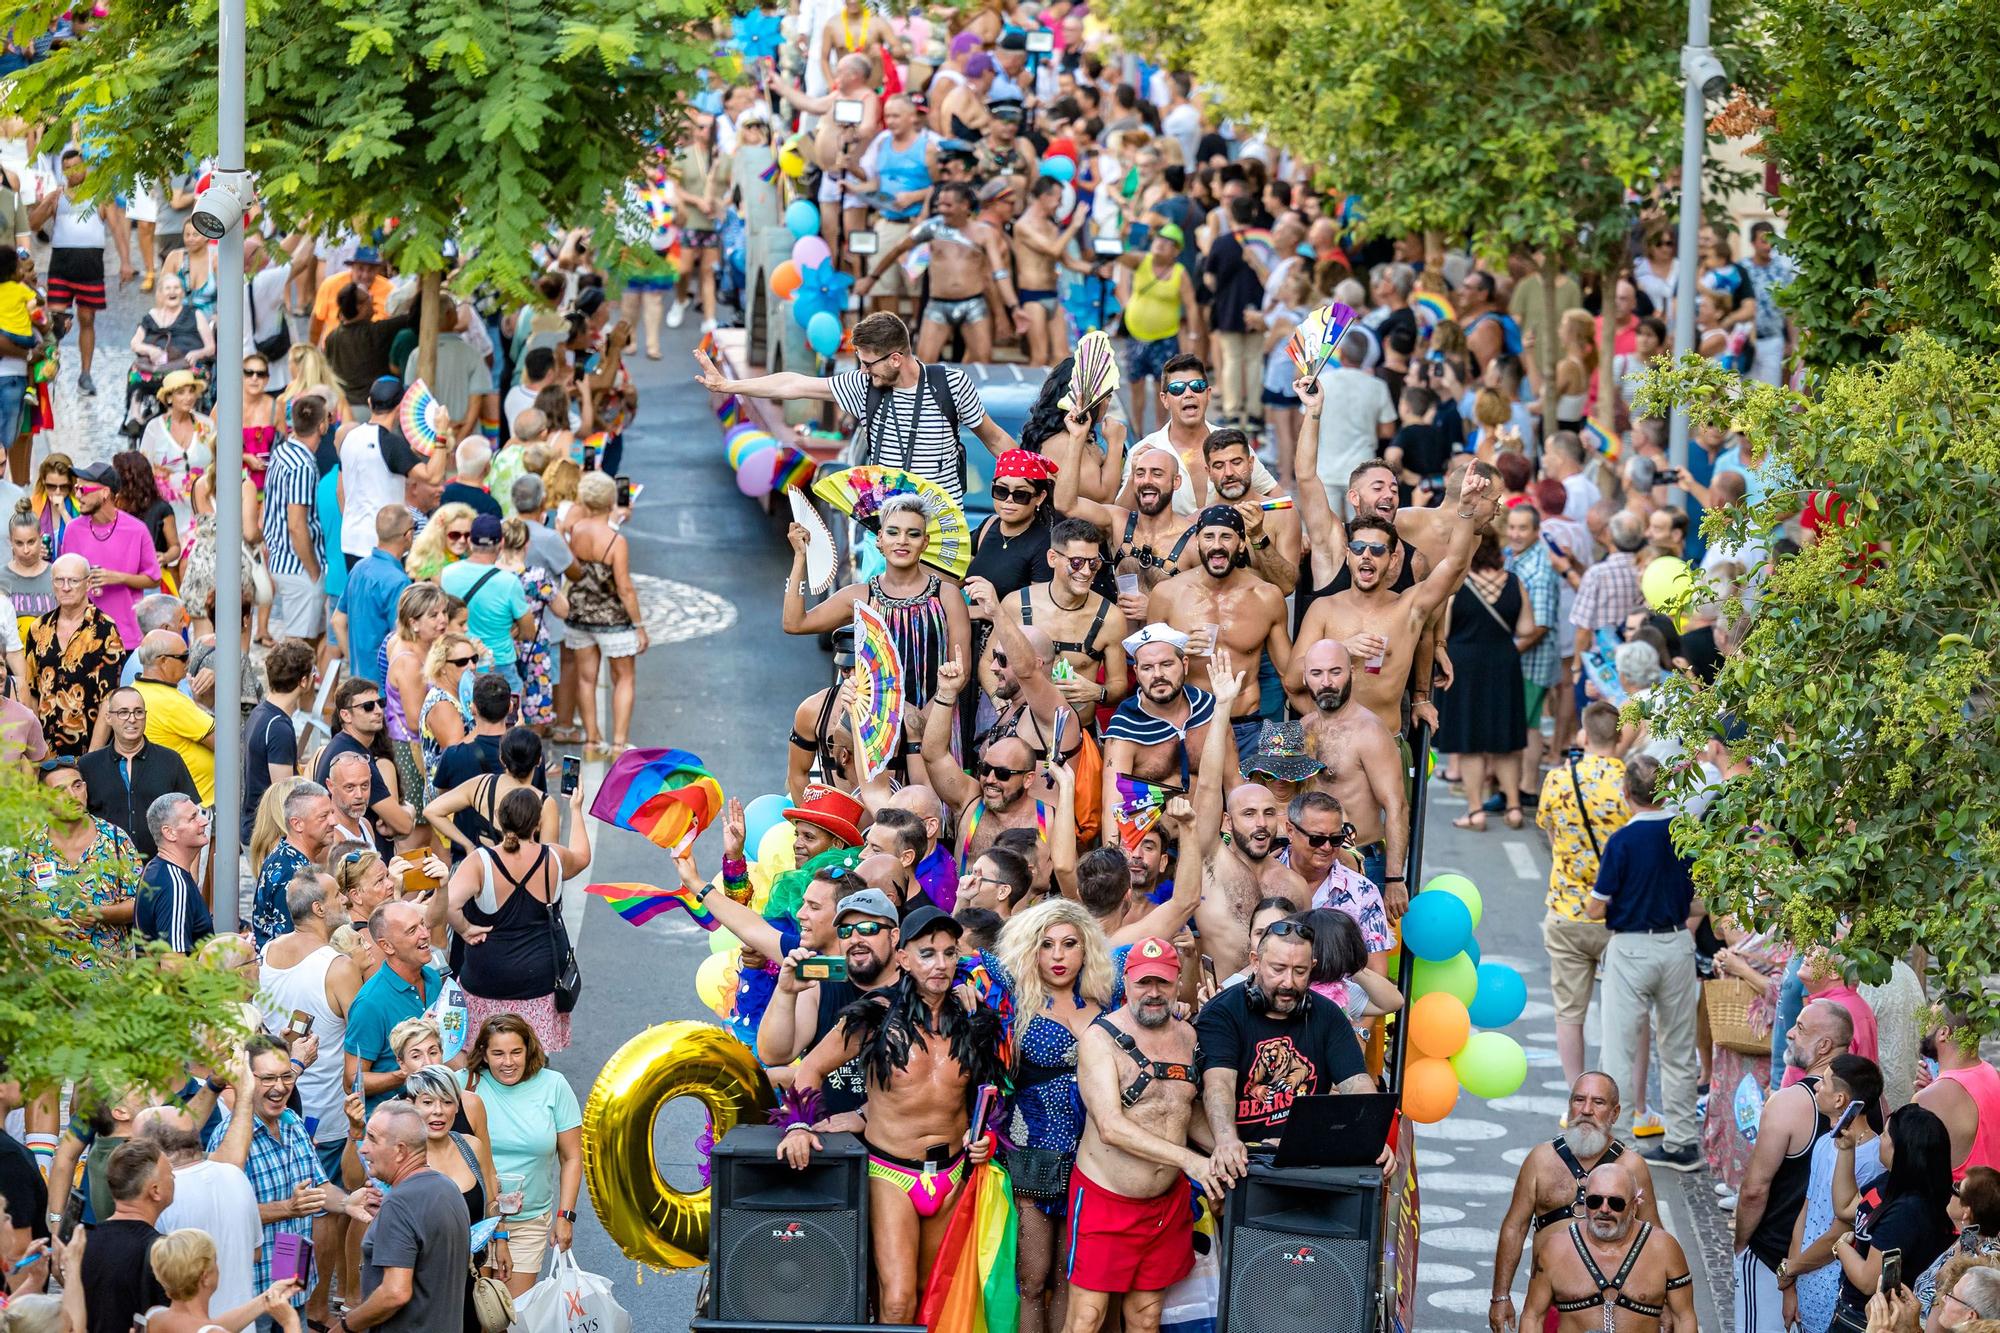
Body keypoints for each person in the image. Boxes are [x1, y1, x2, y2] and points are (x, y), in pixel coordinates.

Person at [780, 907, 1006, 1324]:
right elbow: (810, 1067)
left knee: (931, 1297)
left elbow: (986, 1091)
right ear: (902, 958)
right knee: (898, 1300)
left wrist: (985, 1135)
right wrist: (797, 1124)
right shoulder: (875, 1016)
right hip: (891, 1174)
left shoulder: (972, 1019)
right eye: (926, 953)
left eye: (949, 953)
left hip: (952, 1174)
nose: (939, 964)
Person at [1067, 935, 1223, 1333]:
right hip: (1106, 1198)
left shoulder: (1189, 1036)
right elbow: (1111, 1127)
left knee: (1147, 1316)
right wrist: (1190, 1160)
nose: (1153, 993)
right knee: (1087, 1318)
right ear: (1127, 982)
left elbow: (1183, 1110)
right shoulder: (1100, 1039)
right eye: (1143, 983)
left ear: (1176, 983)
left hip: (1165, 1205)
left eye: (1163, 983)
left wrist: (1226, 1145)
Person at [693, 312, 1014, 505]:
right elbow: (793, 384)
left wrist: (1033, 481)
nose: (862, 371)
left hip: (943, 530)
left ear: (895, 359)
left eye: (867, 362)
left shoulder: (951, 384)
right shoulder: (863, 386)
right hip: (887, 534)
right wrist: (729, 386)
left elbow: (996, 440)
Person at [977, 900, 1110, 1333]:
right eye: (1046, 945)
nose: (1057, 956)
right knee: (1032, 1280)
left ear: (1085, 950)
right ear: (1030, 950)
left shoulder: (1107, 1005)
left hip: (1092, 1160)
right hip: (1032, 1156)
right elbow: (957, 957)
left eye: (1069, 944)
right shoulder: (1015, 1002)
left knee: (1069, 1277)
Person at [1289, 479, 1493, 738]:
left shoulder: (1409, 606)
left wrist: (1465, 510)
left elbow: (1453, 564)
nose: (1366, 555)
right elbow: (1292, 680)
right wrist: (1340, 651)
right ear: (1348, 554)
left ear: (1392, 558)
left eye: (1376, 550)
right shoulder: (1323, 608)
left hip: (1386, 741)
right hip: (1329, 740)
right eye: (1358, 548)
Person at [209, 1037, 377, 1329]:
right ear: (247, 1081)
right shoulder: (229, 1139)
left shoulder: (292, 1122)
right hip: (252, 1295)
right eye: (268, 1078)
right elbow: (224, 1216)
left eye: (287, 1076)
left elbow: (318, 1189)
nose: (280, 1087)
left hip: (293, 1282)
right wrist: (287, 1208)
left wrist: (347, 1202)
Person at [1585, 754, 1701, 1171]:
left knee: (1618, 1046)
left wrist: (1591, 900)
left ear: (1626, 793)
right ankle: (1683, 1140)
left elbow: (1597, 908)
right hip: (1675, 941)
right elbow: (1698, 896)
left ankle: (1609, 1140)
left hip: (1631, 945)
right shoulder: (1684, 833)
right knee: (1678, 1047)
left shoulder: (1622, 841)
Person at [1491, 1073, 1662, 1333]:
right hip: (1548, 1304)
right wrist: (1500, 1297)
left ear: (1615, 1113)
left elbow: (1655, 1239)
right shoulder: (1541, 1159)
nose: (1586, 1110)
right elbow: (1514, 1228)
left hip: (1615, 1307)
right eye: (1579, 1100)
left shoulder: (1632, 1167)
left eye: (1598, 1102)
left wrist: (1670, 1304)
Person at [1196, 913, 1373, 1159]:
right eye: (1278, 969)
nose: (1288, 982)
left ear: (1312, 967)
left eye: (1299, 971)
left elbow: (1357, 1083)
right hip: (1245, 1158)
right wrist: (1227, 1142)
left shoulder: (1328, 1015)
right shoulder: (1222, 1012)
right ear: (1256, 962)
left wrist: (1370, 1135)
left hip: (1307, 1158)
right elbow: (1219, 1083)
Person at [445, 783, 590, 1054]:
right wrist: (576, 809)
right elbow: (582, 857)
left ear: (499, 818)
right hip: (539, 980)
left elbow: (448, 904)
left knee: (485, 1058)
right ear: (537, 823)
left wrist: (465, 929)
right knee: (530, 1058)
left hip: (486, 979)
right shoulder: (553, 858)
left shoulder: (481, 862)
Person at [1738, 998, 1854, 1331]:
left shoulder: (1788, 1102)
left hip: (1774, 1256)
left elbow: (1754, 1191)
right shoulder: (1873, 1101)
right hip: (1835, 1260)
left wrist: (1741, 1246)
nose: (1789, 1033)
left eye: (1800, 1027)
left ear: (1824, 1046)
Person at [1188, 655, 1309, 976]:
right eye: (1249, 813)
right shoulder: (1210, 861)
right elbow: (1211, 784)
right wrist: (1222, 707)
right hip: (1222, 1008)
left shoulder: (1295, 886)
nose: (1260, 822)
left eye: (1269, 813)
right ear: (1227, 821)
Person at [459, 1015, 583, 1297]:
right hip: (472, 1221)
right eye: (498, 1053)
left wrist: (565, 1216)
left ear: (529, 1050)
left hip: (527, 1222)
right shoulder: (464, 1085)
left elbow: (572, 1157)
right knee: (474, 1318)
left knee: (508, 1317)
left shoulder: (554, 1085)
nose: (508, 1062)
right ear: (484, 1054)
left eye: (516, 1052)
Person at [260, 869, 364, 1190]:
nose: (345, 899)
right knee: (328, 1212)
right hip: (329, 1119)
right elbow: (364, 1039)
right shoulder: (339, 966)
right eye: (337, 896)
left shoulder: (267, 952)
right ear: (319, 909)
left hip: (280, 1110)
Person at [1294, 638, 1411, 903]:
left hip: (1361, 858)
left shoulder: (1369, 730)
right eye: (1317, 673)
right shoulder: (1303, 727)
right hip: (1309, 862)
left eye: (1335, 672)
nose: (1326, 682)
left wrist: (1394, 878)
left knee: (1362, 945)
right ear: (1305, 678)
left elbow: (1397, 806)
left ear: (1352, 673)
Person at [1520, 1160, 1696, 1333]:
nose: (1604, 1209)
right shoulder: (1555, 1249)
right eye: (1594, 1201)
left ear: (1634, 1206)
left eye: (1616, 1203)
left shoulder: (1664, 1249)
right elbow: (1532, 1316)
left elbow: (1684, 1318)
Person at [1784, 1055, 1888, 1333]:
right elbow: (1807, 1209)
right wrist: (1791, 1281)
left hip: (1832, 1285)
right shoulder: (1823, 1142)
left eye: (1824, 1083)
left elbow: (1841, 1231)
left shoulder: (1871, 1159)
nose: (1816, 1087)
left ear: (1841, 1099)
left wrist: (1790, 1270)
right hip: (1805, 1275)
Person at [398, 1065, 507, 1327]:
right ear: (412, 1106)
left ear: (457, 1107)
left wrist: (502, 1232)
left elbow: (490, 1206)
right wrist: (355, 1133)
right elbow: (359, 1183)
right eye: (427, 1102)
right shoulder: (402, 1154)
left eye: (447, 1101)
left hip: (468, 1276)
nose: (438, 1110)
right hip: (420, 1282)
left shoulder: (471, 1147)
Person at [1830, 1105, 1957, 1330]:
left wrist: (1840, 1246)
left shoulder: (1908, 1211)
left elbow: (1869, 1281)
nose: (1880, 1138)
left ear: (1901, 1149)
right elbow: (1844, 1207)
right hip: (1853, 1310)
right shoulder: (1890, 1180)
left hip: (1871, 1320)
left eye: (1886, 1134)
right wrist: (1846, 1150)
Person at [19, 755, 140, 967]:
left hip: (107, 979)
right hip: (46, 983)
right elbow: (10, 915)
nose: (72, 796)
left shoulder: (115, 840)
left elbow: (141, 905)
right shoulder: (29, 848)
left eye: (77, 786)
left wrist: (103, 913)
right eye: (59, 791)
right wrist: (38, 928)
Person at [563, 471, 647, 756]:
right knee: (624, 677)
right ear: (611, 500)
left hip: (579, 616)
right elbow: (624, 588)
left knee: (586, 678)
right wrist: (639, 625)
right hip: (612, 619)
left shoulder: (574, 531)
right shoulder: (615, 541)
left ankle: (591, 740)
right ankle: (619, 743)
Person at [345, 902, 446, 1112]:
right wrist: (405, 1074)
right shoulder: (370, 1003)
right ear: (387, 946)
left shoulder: (433, 978)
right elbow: (352, 1081)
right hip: (394, 1125)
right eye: (412, 930)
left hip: (436, 1113)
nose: (425, 934)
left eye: (422, 925)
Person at [78, 685, 199, 858]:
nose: (132, 719)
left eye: (138, 712)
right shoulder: (88, 766)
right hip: (104, 871)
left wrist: (190, 876)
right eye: (123, 712)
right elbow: (76, 823)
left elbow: (192, 819)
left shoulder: (170, 761)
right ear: (109, 718)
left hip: (159, 869)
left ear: (145, 716)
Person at [25, 552, 123, 754]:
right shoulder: (38, 628)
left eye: (73, 580)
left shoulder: (105, 629)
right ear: (52, 584)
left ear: (88, 584)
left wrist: (94, 756)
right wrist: (36, 750)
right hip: (46, 750)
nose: (66, 587)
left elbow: (109, 699)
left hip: (89, 748)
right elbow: (31, 691)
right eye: (59, 580)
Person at [60, 460, 161, 652]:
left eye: (84, 489)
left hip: (126, 636)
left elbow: (153, 578)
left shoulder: (136, 530)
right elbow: (62, 580)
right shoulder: (73, 530)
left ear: (105, 492)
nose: (78, 495)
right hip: (83, 636)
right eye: (76, 488)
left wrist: (118, 577)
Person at [79, 1139, 175, 1333]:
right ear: (155, 1191)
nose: (173, 1177)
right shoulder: (161, 1252)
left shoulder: (82, 1242)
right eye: (170, 1174)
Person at [143, 1227, 300, 1333]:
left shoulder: (154, 1317)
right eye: (215, 1261)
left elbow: (210, 1328)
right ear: (205, 1277)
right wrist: (290, 1322)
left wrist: (265, 1299)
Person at [130, 631, 217, 805]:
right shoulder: (169, 702)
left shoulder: (136, 689)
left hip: (174, 800)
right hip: (201, 804)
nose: (189, 662)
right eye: (184, 657)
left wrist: (199, 702)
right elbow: (224, 743)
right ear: (163, 661)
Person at [1914, 1009, 2000, 1182]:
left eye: (1929, 1022)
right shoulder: (1991, 1072)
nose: (1924, 1029)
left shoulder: (1929, 1098)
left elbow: (1910, 1169)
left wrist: (1925, 1095)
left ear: (1943, 1033)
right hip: (1990, 1199)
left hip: (1958, 1205)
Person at [251, 779, 337, 947]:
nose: (334, 821)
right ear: (297, 824)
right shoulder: (291, 873)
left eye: (332, 813)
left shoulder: (288, 856)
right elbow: (294, 946)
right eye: (324, 816)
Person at [336, 506, 416, 684]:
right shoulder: (398, 581)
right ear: (408, 534)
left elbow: (338, 621)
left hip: (360, 680)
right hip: (384, 685)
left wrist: (355, 664)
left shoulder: (359, 568)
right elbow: (401, 639)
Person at [134, 792, 213, 954]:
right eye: (193, 818)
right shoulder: (175, 886)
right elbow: (173, 967)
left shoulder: (153, 868)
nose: (204, 822)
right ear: (169, 833)